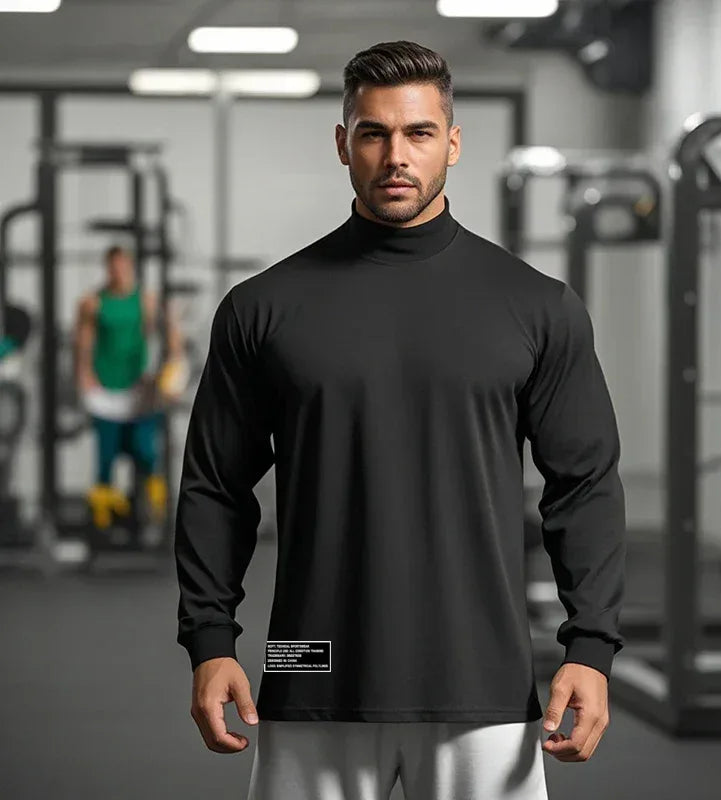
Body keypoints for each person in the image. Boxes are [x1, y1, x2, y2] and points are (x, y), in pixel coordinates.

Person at [175, 41, 626, 800]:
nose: (395, 155)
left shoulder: (536, 306)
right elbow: (216, 485)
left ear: (451, 142)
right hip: (308, 666)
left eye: (418, 133)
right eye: (373, 133)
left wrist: (591, 645)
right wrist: (209, 639)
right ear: (343, 143)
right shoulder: (263, 308)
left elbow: (583, 484)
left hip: (482, 680)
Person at [74, 244, 182, 531]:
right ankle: (103, 527)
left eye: (123, 265)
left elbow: (169, 332)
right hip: (106, 389)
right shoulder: (93, 302)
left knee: (146, 453)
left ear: (130, 267)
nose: (118, 271)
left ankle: (156, 518)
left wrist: (174, 363)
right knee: (105, 459)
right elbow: (83, 340)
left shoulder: (146, 301)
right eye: (113, 266)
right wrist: (83, 374)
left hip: (139, 389)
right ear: (107, 268)